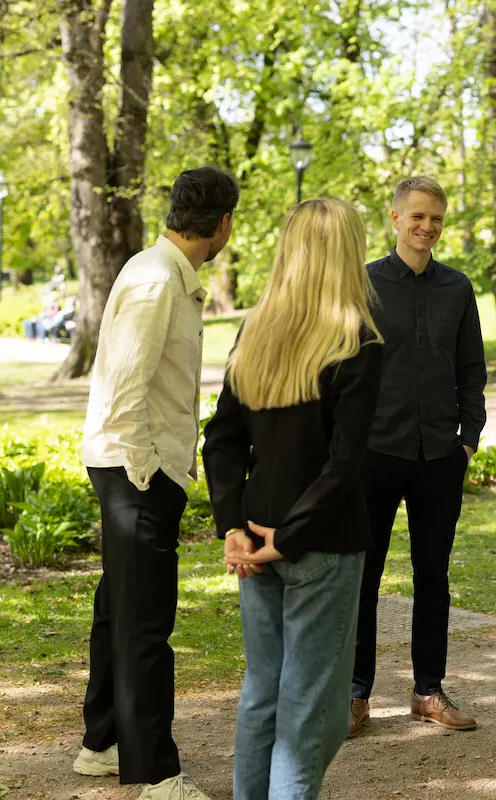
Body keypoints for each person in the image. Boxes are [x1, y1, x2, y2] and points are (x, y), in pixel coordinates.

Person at [203, 198, 384, 799]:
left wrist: (239, 526)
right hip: (316, 544)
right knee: (305, 713)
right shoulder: (357, 339)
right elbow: (343, 462)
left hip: (262, 538)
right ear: (347, 253)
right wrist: (276, 536)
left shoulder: (255, 331)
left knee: (267, 695)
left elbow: (222, 440)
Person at [75, 166, 239, 799]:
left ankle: (102, 742)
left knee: (121, 606)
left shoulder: (161, 271)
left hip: (131, 466)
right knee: (146, 622)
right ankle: (155, 775)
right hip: (134, 468)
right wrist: (148, 475)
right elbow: (125, 388)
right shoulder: (155, 279)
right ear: (223, 224)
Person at [349, 176, 487, 736]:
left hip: (439, 455)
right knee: (364, 575)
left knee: (434, 576)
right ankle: (355, 693)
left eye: (435, 219)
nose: (426, 227)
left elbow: (471, 370)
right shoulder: (362, 285)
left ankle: (428, 691)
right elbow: (344, 366)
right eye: (417, 217)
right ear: (395, 218)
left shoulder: (458, 288)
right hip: (376, 453)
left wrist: (468, 436)